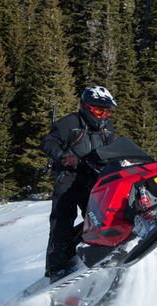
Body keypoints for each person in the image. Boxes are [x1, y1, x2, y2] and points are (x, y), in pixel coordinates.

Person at [40, 85, 120, 282]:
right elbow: (48, 142)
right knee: (62, 220)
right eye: (100, 110)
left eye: (107, 111)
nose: (104, 115)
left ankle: (94, 250)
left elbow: (115, 149)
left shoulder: (107, 129)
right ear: (87, 107)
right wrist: (63, 156)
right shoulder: (70, 123)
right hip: (68, 177)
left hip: (93, 177)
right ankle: (56, 268)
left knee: (98, 217)